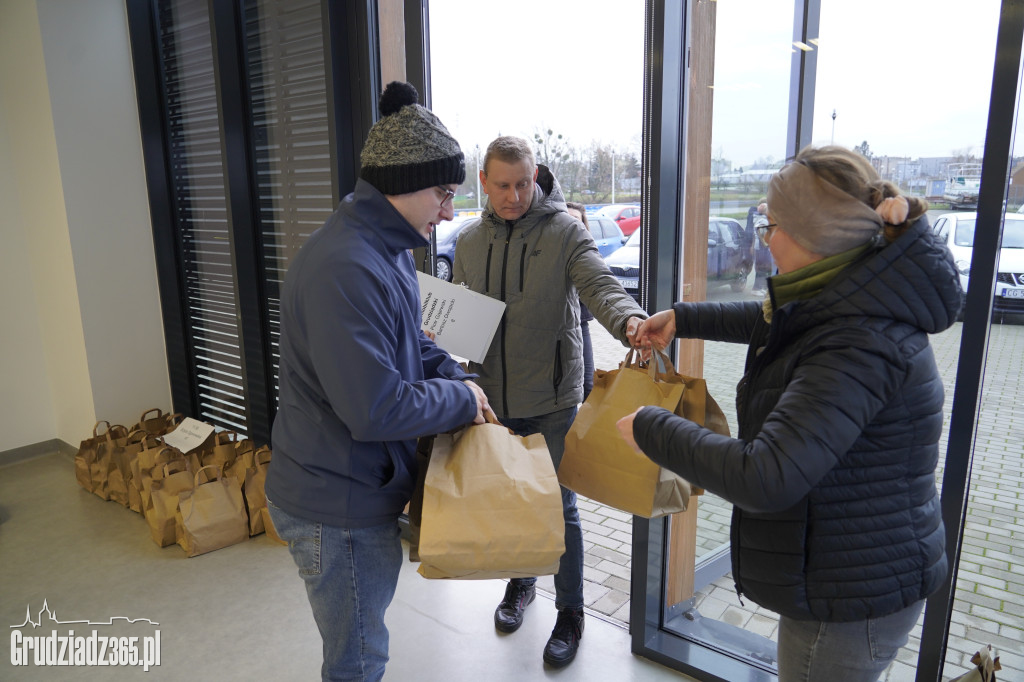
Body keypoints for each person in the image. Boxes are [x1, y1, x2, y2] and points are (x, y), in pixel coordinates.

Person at [618, 145, 962, 682]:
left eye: (770, 225)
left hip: (848, 594)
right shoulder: (852, 291)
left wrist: (651, 427)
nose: (766, 239)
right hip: (847, 565)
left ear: (813, 234)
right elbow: (773, 322)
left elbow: (766, 475)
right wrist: (682, 318)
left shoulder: (858, 341)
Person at [265, 81, 490, 682]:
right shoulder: (347, 266)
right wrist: (460, 400)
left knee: (361, 647)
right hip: (334, 504)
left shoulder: (383, 249)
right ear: (402, 182)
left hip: (354, 483)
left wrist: (451, 373)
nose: (448, 210)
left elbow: (407, 340)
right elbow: (375, 408)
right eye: (444, 192)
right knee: (359, 659)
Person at [453, 136, 646, 668]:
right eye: (502, 185)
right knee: (515, 501)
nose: (514, 195)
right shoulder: (469, 242)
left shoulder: (564, 233)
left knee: (560, 507)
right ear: (485, 183)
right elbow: (459, 322)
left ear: (535, 177)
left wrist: (629, 322)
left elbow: (601, 286)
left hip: (554, 397)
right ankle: (521, 584)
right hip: (494, 398)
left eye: (523, 183)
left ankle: (571, 612)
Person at [565, 201, 595, 399]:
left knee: (589, 385)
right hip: (559, 328)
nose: (570, 224)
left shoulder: (587, 252)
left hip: (580, 323)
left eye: (575, 220)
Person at [751, 200, 773, 294]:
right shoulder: (763, 221)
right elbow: (764, 238)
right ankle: (757, 288)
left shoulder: (760, 219)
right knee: (761, 268)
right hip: (762, 249)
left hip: (760, 248)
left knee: (763, 268)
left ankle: (760, 287)